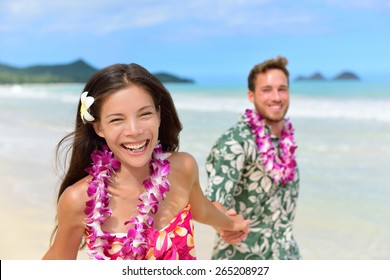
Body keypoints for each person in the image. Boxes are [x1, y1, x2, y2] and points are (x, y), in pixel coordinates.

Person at [42, 63, 249, 260]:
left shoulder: (183, 167)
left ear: (159, 115)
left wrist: (231, 224)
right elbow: (58, 262)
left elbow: (201, 209)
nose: (135, 131)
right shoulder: (79, 199)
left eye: (145, 114)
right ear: (99, 128)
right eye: (117, 119)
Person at [205, 56, 301, 260]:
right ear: (251, 95)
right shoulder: (235, 142)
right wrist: (224, 225)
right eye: (266, 90)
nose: (276, 97)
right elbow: (214, 202)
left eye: (282, 89)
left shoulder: (286, 141)